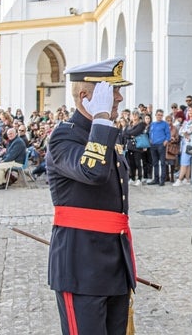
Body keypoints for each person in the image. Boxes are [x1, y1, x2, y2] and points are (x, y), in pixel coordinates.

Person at [46, 57, 137, 335]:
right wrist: (100, 119)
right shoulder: (64, 136)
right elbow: (93, 171)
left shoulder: (107, 133)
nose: (119, 97)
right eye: (111, 92)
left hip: (114, 261)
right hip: (81, 265)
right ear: (86, 97)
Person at [146, 109, 171, 186]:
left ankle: (162, 180)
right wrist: (150, 140)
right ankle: (156, 179)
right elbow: (150, 133)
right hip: (153, 145)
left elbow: (168, 134)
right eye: (158, 115)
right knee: (155, 163)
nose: (159, 116)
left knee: (162, 163)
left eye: (161, 115)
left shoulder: (165, 124)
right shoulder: (152, 124)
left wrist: (166, 141)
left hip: (161, 145)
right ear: (155, 115)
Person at [175, 106, 192, 185]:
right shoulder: (186, 121)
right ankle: (187, 179)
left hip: (190, 144)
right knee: (186, 162)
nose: (190, 112)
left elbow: (189, 130)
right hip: (184, 143)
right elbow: (180, 132)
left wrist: (185, 132)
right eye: (189, 111)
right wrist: (184, 132)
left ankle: (179, 179)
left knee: (184, 162)